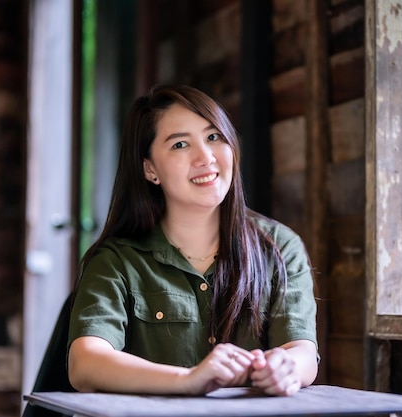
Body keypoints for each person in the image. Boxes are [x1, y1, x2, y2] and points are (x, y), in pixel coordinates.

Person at [67, 84, 319, 397]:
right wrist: (187, 380)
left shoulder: (279, 247)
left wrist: (285, 367)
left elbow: (302, 351)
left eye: (214, 137)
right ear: (150, 169)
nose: (205, 157)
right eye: (180, 144)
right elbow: (85, 363)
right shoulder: (117, 260)